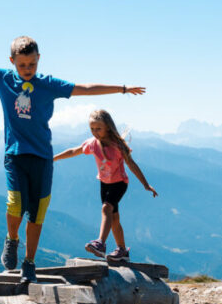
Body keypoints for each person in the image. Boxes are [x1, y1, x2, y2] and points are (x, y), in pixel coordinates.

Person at [0, 34, 145, 283]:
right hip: (15, 155)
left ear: (39, 59)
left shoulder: (48, 84)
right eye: (22, 64)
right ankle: (12, 240)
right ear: (12, 60)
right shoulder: (2, 79)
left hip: (42, 158)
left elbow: (85, 88)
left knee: (37, 213)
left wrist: (122, 89)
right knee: (15, 204)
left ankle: (29, 263)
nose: (27, 69)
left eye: (32, 64)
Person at [53, 109, 157, 263]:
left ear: (108, 126)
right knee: (114, 218)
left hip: (119, 183)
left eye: (98, 128)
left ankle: (100, 243)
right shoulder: (93, 144)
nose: (95, 132)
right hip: (104, 184)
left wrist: (145, 184)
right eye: (92, 129)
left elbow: (132, 164)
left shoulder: (118, 146)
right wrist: (52, 159)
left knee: (106, 209)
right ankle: (122, 250)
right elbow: (73, 151)